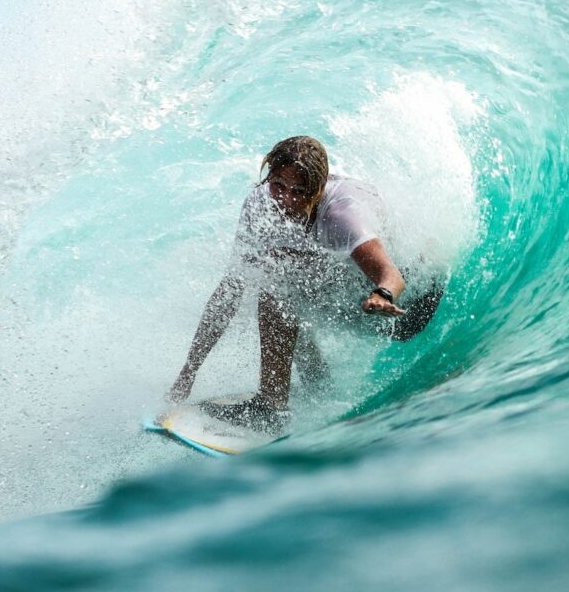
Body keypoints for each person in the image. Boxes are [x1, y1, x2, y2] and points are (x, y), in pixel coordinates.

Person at [168, 136, 442, 433]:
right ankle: (315, 387)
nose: (285, 199)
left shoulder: (342, 215)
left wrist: (382, 294)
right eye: (278, 186)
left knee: (278, 288)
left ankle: (271, 408)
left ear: (319, 188)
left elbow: (391, 274)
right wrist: (189, 372)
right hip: (350, 295)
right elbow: (229, 292)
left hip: (406, 309)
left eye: (299, 191)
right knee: (274, 276)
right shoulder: (260, 205)